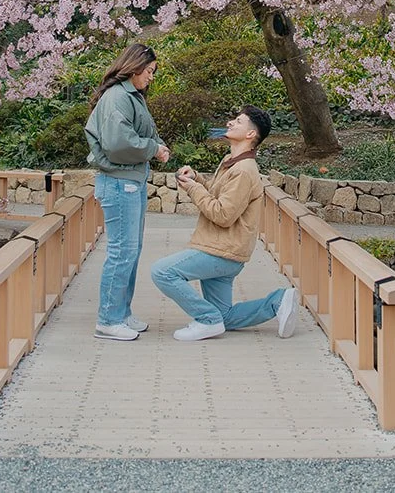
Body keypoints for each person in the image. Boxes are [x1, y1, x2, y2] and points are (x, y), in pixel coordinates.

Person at [149, 105, 299, 341]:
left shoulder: (244, 170)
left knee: (162, 272)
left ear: (251, 135)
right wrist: (197, 178)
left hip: (221, 252)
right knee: (225, 316)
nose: (230, 123)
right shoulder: (231, 161)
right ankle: (277, 302)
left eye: (238, 121)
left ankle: (207, 320)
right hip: (225, 250)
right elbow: (221, 197)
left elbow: (223, 214)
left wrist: (195, 189)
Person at [84, 43, 169, 342]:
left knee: (131, 251)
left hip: (129, 180)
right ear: (134, 68)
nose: (151, 77)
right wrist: (153, 148)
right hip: (120, 182)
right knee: (122, 252)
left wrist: (155, 146)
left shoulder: (129, 96)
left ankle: (120, 312)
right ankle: (108, 319)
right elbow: (119, 142)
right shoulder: (118, 97)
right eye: (149, 71)